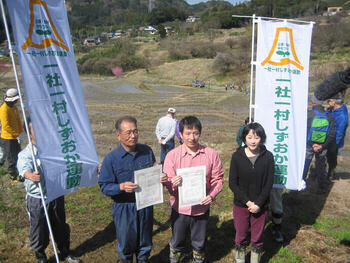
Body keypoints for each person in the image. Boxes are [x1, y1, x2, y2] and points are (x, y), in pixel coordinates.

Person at [99, 116, 167, 263]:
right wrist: (121, 187)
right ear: (118, 136)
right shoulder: (111, 159)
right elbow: (104, 186)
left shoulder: (146, 151)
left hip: (146, 204)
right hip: (124, 207)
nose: (133, 136)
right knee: (126, 243)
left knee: (145, 241)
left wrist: (160, 175)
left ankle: (143, 259)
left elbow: (155, 167)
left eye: (135, 131)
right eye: (128, 132)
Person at [17, 117, 81, 263]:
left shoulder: (54, 149)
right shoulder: (27, 154)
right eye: (35, 129)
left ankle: (65, 251)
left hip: (55, 194)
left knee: (60, 224)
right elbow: (24, 168)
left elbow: (68, 161)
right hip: (37, 198)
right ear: (28, 132)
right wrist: (30, 175)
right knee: (39, 228)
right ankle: (40, 255)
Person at [163, 116, 224, 263]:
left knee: (199, 240)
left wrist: (211, 195)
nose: (192, 137)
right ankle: (175, 256)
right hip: (179, 208)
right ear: (181, 135)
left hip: (201, 207)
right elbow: (167, 182)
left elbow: (218, 179)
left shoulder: (211, 154)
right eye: (188, 133)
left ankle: (198, 257)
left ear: (200, 133)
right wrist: (172, 182)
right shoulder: (172, 156)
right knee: (178, 239)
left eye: (195, 133)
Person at [229, 122, 274, 263]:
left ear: (262, 138)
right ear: (244, 138)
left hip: (261, 206)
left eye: (257, 137)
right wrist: (248, 202)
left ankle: (255, 258)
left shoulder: (268, 157)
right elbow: (232, 183)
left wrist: (258, 204)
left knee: (257, 237)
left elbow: (269, 183)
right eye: (249, 137)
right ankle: (240, 259)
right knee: (241, 234)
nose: (253, 141)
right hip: (241, 204)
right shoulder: (237, 156)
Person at [302, 95, 335, 194]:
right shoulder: (329, 116)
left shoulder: (308, 114)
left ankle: (301, 185)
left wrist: (312, 144)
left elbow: (304, 131)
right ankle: (321, 188)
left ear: (313, 103)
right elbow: (332, 134)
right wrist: (322, 146)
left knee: (305, 164)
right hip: (323, 145)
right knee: (320, 166)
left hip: (309, 144)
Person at [0, 88, 23, 180]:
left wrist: (20, 132)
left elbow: (18, 120)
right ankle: (13, 176)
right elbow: (6, 126)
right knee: (11, 157)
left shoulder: (14, 107)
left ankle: (19, 172)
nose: (17, 101)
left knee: (18, 154)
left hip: (15, 136)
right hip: (7, 137)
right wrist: (16, 134)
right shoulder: (3, 109)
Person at [326, 95, 348, 180]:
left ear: (334, 102)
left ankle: (331, 173)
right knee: (328, 156)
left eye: (329, 101)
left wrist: (335, 142)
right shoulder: (333, 110)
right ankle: (329, 172)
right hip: (329, 137)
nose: (328, 103)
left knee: (332, 156)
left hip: (334, 139)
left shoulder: (342, 115)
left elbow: (340, 131)